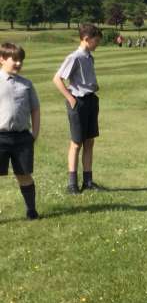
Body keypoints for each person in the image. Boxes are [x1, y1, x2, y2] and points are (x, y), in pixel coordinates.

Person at [52, 23, 103, 194]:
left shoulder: (89, 57)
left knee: (90, 141)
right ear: (86, 39)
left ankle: (88, 182)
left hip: (90, 101)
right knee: (76, 143)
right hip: (78, 102)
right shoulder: (75, 57)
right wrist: (70, 98)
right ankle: (72, 184)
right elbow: (57, 79)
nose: (98, 44)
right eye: (96, 41)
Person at [0, 43, 40, 219]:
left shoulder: (26, 84)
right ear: (2, 59)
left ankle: (31, 210)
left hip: (22, 138)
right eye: (14, 59)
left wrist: (35, 133)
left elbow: (35, 109)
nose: (18, 64)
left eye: (21, 60)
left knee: (24, 175)